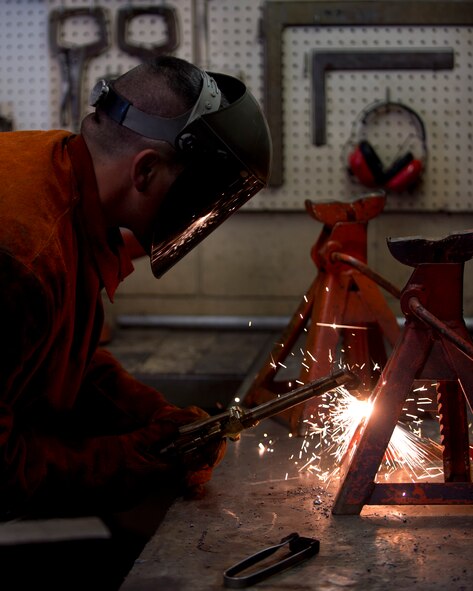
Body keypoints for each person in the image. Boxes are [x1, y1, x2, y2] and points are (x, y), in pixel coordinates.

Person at [0, 54, 272, 523]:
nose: (198, 216)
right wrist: (147, 456)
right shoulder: (23, 258)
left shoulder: (60, 184)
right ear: (144, 172)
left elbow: (59, 363)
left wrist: (154, 417)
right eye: (195, 196)